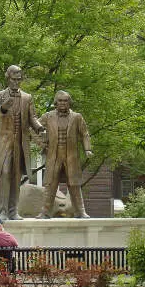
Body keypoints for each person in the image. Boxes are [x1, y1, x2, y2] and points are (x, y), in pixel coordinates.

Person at [0, 65, 44, 220]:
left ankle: (13, 211)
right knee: (5, 174)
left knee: (16, 176)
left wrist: (40, 128)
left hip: (21, 143)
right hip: (5, 143)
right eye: (14, 79)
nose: (16, 82)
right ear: (8, 78)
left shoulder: (27, 97)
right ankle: (2, 211)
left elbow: (32, 117)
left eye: (19, 79)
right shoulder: (0, 95)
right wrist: (3, 108)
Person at [37, 90, 93, 219]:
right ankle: (45, 212)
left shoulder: (77, 117)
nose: (63, 103)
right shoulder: (47, 116)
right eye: (60, 101)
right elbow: (33, 128)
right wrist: (41, 143)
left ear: (69, 102)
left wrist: (87, 149)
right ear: (56, 102)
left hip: (71, 155)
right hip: (53, 155)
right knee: (50, 184)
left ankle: (80, 211)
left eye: (65, 100)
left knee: (74, 184)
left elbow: (85, 134)